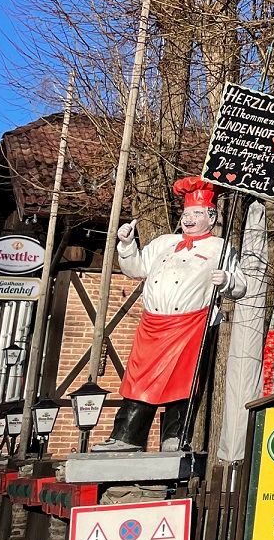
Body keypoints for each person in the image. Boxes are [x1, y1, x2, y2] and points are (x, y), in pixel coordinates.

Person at [92, 176, 247, 452]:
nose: (189, 219)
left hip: (191, 325)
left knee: (184, 383)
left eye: (197, 213)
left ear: (211, 218)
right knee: (139, 381)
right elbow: (136, 268)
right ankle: (126, 437)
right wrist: (127, 245)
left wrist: (226, 281)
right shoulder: (164, 243)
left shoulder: (220, 248)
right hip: (153, 325)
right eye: (186, 213)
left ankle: (175, 438)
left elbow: (240, 285)